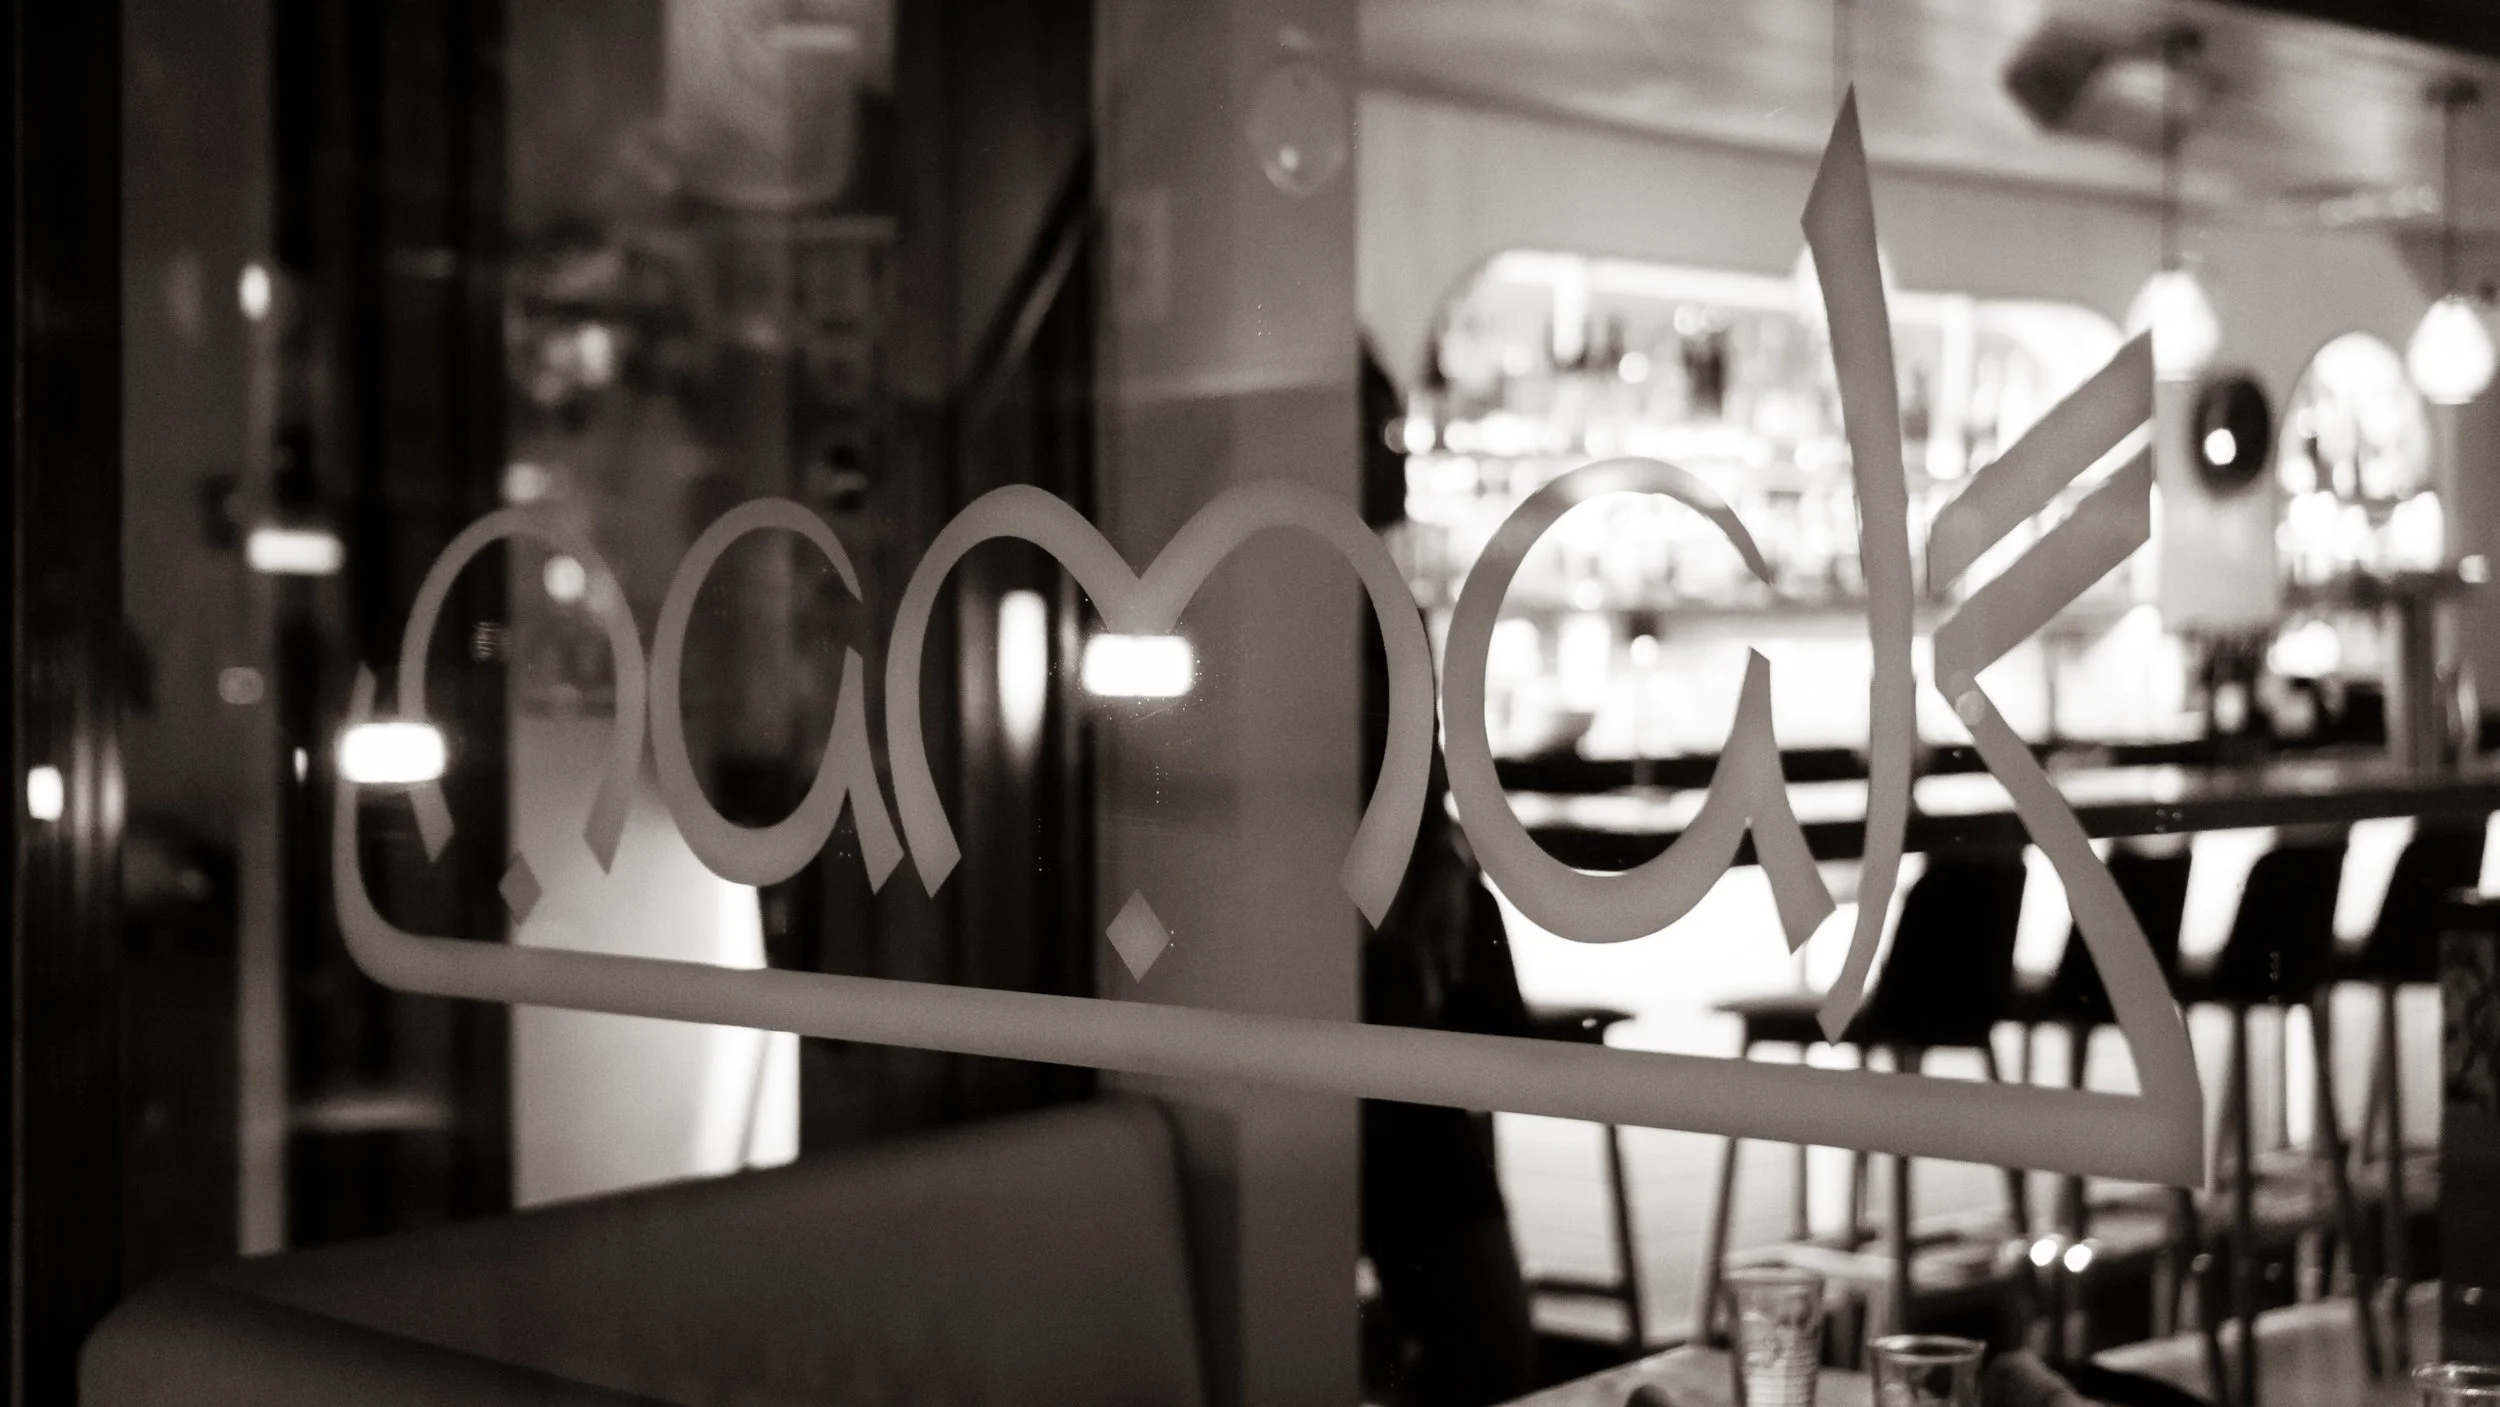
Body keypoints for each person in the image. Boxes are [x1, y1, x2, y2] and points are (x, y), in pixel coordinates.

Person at [1358, 341, 1536, 1406]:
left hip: (1385, 1000)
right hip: (1384, 1005)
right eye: (1381, 434)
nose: (1401, 460)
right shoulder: (1350, 600)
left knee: (1471, 1320)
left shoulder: (1364, 596)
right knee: (1478, 1329)